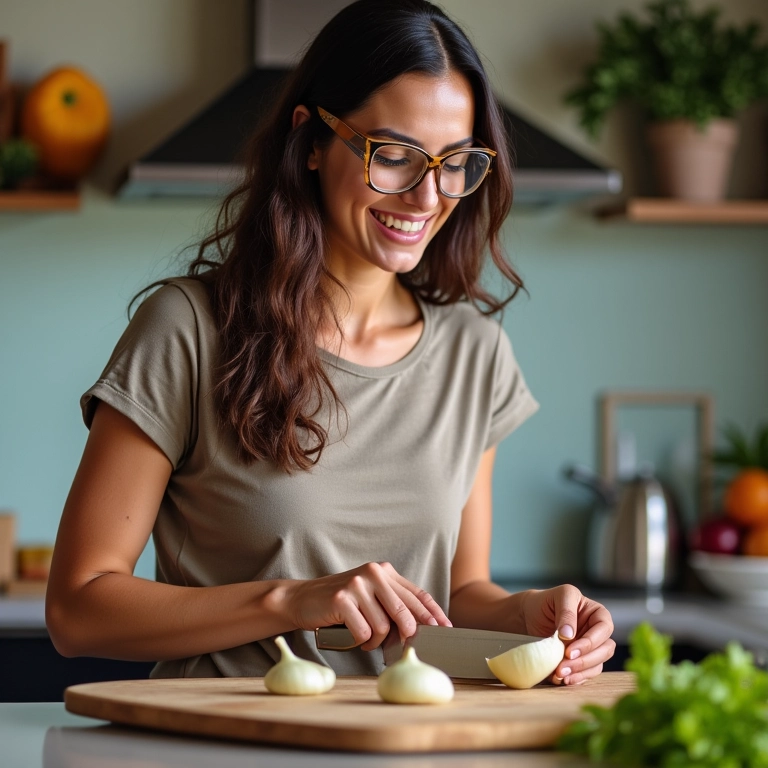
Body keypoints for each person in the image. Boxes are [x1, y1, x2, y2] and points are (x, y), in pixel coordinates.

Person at [46, 0, 615, 684]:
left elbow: (458, 596)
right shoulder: (189, 329)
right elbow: (78, 610)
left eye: (457, 162)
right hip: (219, 749)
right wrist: (294, 601)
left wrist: (530, 613)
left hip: (402, 745)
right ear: (310, 142)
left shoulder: (478, 355)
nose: (428, 196)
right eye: (395, 156)